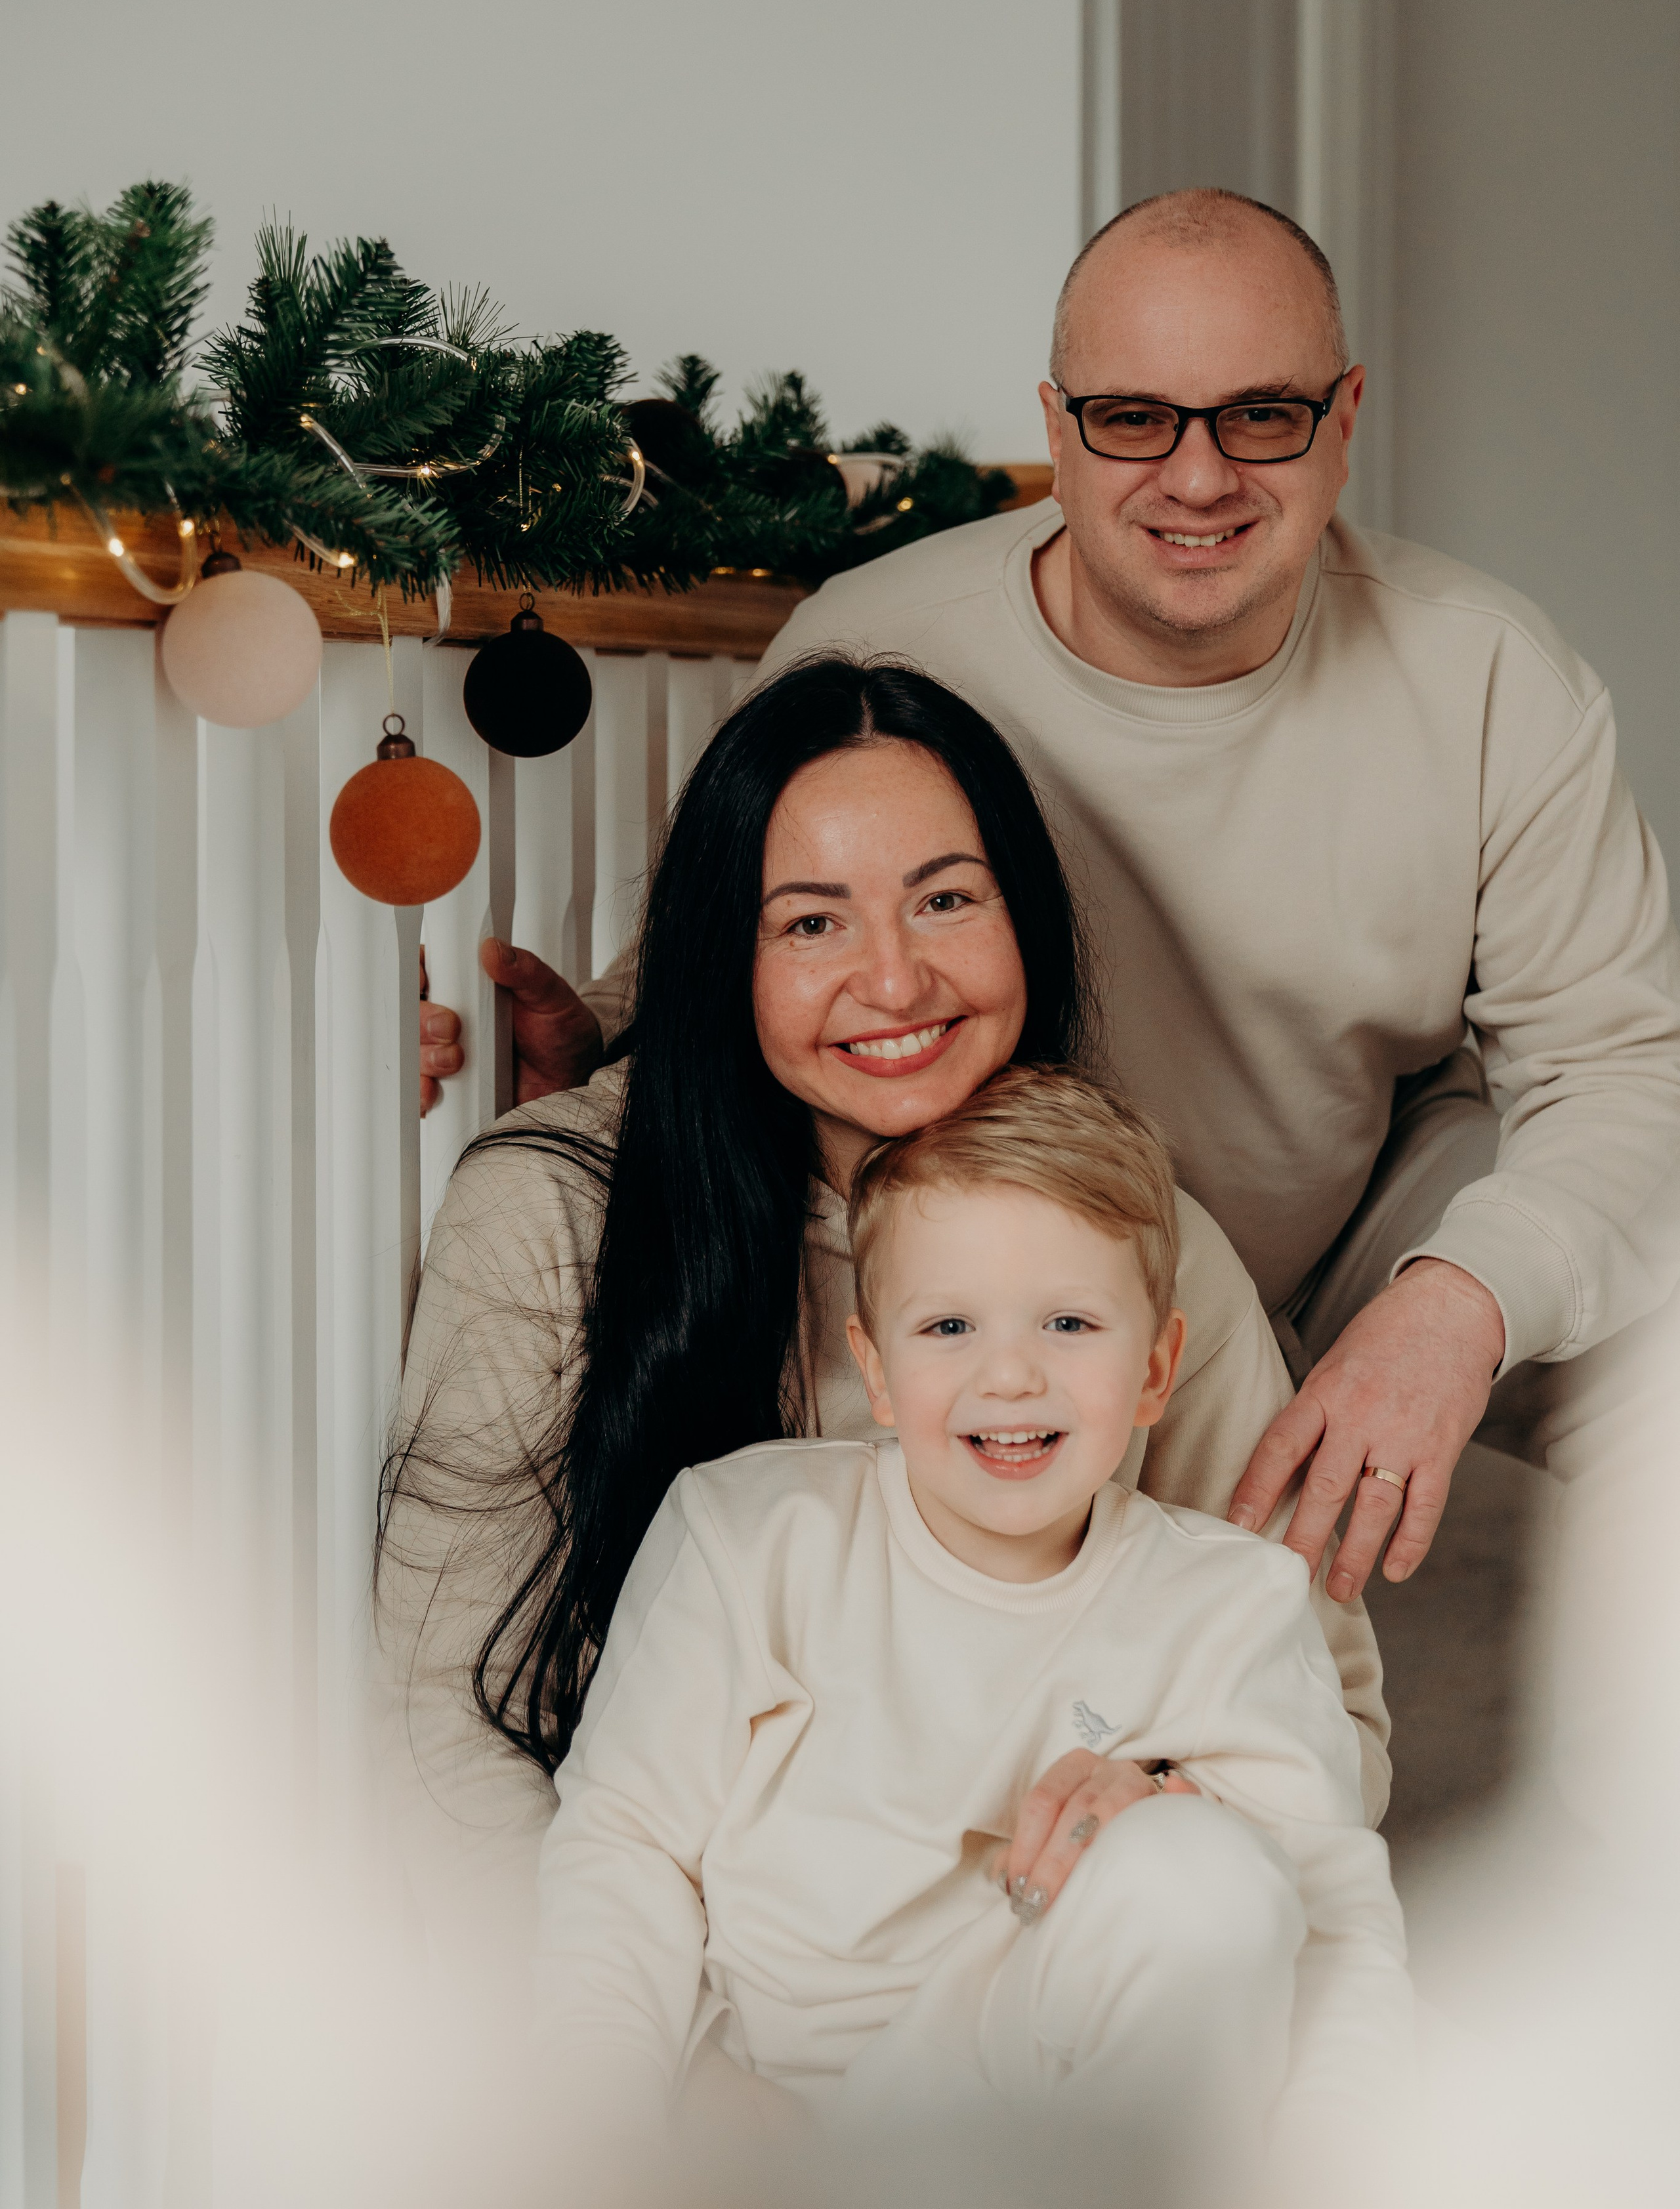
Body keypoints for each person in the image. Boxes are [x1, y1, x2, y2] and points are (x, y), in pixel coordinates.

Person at [438, 187, 1680, 1626]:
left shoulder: (1491, 675)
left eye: (1261, 416)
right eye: (1135, 418)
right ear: (1059, 427)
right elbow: (767, 938)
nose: (1198, 476)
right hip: (999, 1234)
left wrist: (1455, 1303)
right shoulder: (878, 640)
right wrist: (602, 1035)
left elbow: (1619, 1068)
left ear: (1343, 421)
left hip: (1354, 1215)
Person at [379, 658, 1387, 2014]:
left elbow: (1327, 1718)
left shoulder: (1142, 1239)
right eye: (810, 923)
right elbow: (445, 1729)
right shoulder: (553, 1211)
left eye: (947, 900)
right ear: (723, 956)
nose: (896, 979)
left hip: (1042, 2011)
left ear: (1024, 918)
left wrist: (1173, 1801)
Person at [536, 1067, 1408, 2193]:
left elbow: (1337, 1931)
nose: (1010, 1374)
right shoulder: (750, 1535)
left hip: (1067, 2119)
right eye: (949, 1326)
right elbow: (623, 1855)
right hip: (789, 2134)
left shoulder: (1234, 1604)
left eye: (1069, 1323)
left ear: (1155, 1369)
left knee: (1210, 1872)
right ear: (876, 1369)